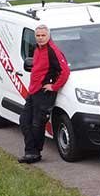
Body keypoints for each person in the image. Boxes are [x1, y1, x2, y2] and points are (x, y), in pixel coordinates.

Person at [18, 23, 69, 164]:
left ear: (48, 36)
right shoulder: (37, 49)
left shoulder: (53, 50)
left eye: (43, 35)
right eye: (38, 36)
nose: (40, 38)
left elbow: (65, 71)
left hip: (44, 93)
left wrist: (54, 86)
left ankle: (33, 153)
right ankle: (30, 151)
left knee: (37, 124)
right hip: (33, 92)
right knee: (24, 120)